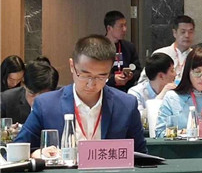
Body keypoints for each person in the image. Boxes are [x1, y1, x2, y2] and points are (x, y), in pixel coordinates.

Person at [15, 35, 147, 153]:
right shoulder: (46, 105)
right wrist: (38, 154)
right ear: (72, 66)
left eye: (101, 76)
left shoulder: (126, 105)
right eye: (85, 75)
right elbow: (17, 151)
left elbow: (142, 157)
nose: (91, 84)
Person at [155, 47, 202, 138]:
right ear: (188, 72)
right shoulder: (172, 98)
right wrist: (184, 134)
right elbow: (160, 133)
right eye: (197, 72)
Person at [142, 15, 196, 84]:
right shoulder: (161, 53)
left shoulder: (196, 56)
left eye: (190, 32)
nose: (187, 35)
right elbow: (144, 80)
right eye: (183, 32)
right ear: (174, 33)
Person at [104, 10, 141, 92]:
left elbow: (138, 70)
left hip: (126, 90)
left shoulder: (129, 47)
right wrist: (113, 79)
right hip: (106, 90)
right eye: (121, 26)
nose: (124, 29)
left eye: (125, 25)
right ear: (109, 28)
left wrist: (131, 76)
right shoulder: (99, 47)